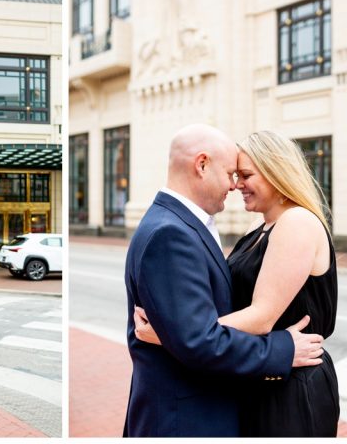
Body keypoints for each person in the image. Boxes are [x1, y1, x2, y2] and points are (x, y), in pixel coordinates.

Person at [123, 124, 325, 437]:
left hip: (286, 384)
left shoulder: (183, 225)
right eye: (233, 173)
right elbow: (197, 340)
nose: (235, 185)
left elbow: (204, 333)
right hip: (187, 416)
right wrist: (182, 336)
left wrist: (171, 335)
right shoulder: (171, 232)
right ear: (201, 165)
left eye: (245, 175)